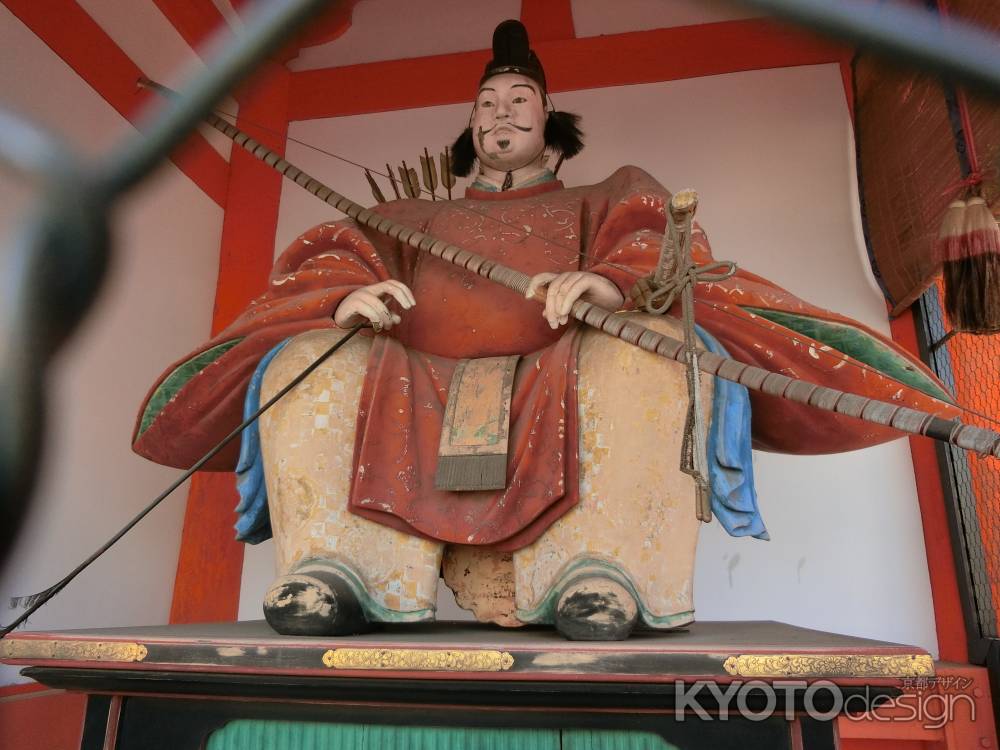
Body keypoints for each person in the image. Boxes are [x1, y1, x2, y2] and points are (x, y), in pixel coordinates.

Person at [133, 21, 956, 640]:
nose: (501, 113)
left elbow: (657, 248)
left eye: (518, 101)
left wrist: (606, 279)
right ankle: (340, 569)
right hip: (410, 384)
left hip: (563, 371)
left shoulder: (603, 194)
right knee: (306, 355)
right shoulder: (410, 216)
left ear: (548, 120)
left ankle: (603, 572)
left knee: (646, 356)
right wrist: (349, 295)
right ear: (470, 126)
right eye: (486, 103)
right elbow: (334, 255)